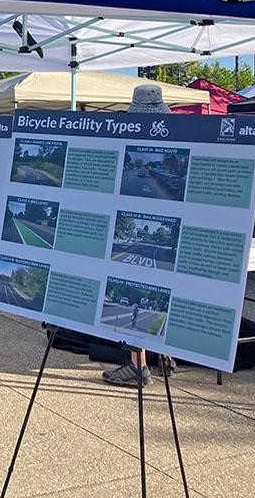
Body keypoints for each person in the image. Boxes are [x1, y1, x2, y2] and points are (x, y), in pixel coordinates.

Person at [103, 84, 174, 388]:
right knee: (162, 288)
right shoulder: (174, 139)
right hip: (167, 226)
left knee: (133, 289)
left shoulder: (129, 141)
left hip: (139, 220)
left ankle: (138, 365)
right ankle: (165, 353)